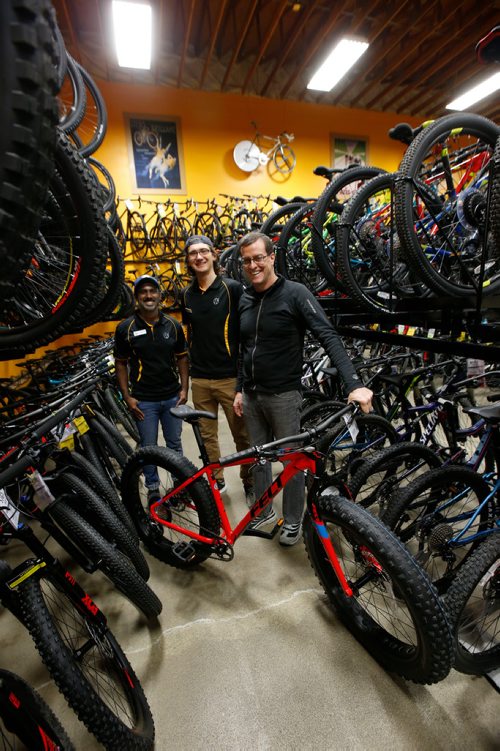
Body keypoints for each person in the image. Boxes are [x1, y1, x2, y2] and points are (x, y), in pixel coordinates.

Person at [233, 231, 373, 546]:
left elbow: (328, 336)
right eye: (247, 261)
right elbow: (244, 350)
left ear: (271, 257)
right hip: (252, 395)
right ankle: (265, 509)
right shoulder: (244, 298)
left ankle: (294, 520)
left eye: (258, 258)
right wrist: (240, 389)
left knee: (291, 461)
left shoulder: (295, 293)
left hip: (283, 396)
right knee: (259, 458)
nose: (253, 265)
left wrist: (354, 384)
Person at [180, 235, 253, 501]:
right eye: (193, 254)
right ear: (188, 260)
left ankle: (250, 480)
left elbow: (246, 336)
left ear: (213, 255)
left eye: (203, 252)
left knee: (242, 436)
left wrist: (242, 383)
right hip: (200, 379)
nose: (198, 257)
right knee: (206, 437)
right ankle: (216, 479)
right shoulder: (186, 294)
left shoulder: (232, 288)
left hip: (229, 378)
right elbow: (190, 334)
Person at [114, 274, 189, 502]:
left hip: (171, 397)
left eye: (152, 291)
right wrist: (127, 397)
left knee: (174, 444)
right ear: (137, 297)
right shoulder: (125, 329)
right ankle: (154, 488)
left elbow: (182, 358)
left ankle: (181, 485)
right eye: (143, 292)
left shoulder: (174, 326)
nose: (148, 295)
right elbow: (120, 363)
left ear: (159, 295)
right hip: (144, 400)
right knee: (148, 447)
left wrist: (185, 389)